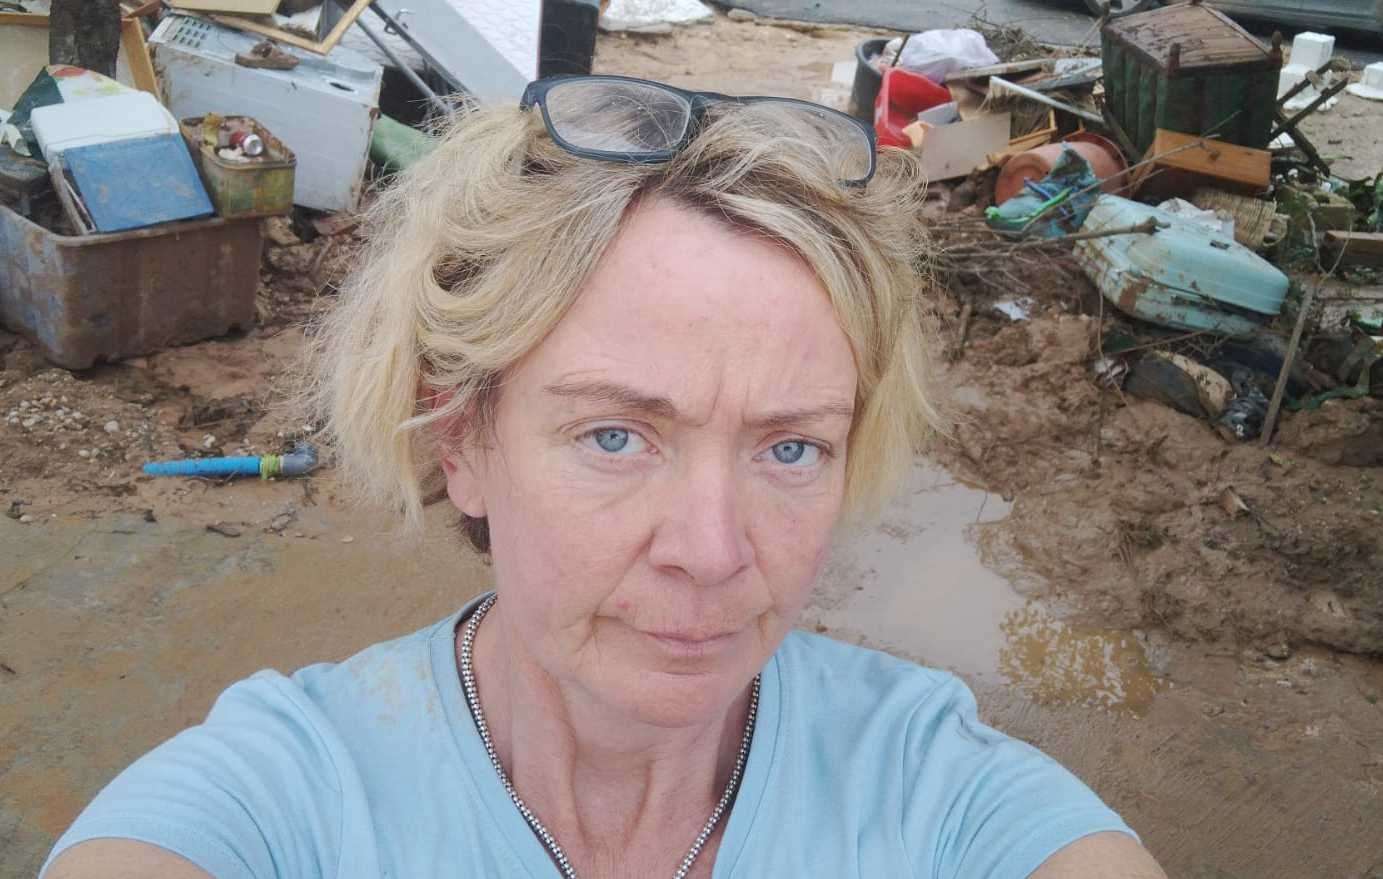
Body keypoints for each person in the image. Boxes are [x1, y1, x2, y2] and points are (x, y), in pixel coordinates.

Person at [43, 75, 1167, 879]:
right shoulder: (286, 800)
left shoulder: (932, 790)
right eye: (616, 437)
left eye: (791, 447)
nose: (714, 552)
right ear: (462, 439)